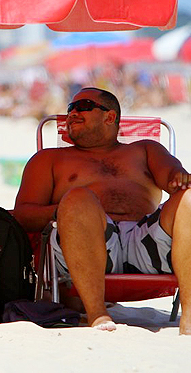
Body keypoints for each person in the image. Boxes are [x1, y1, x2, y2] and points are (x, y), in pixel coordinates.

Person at [13, 87, 190, 334]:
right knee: (78, 198)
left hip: (146, 243)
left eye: (83, 106)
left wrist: (177, 179)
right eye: (70, 109)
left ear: (110, 117)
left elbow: (173, 175)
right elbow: (21, 216)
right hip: (83, 243)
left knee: (189, 199)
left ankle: (189, 319)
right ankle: (97, 314)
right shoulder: (48, 159)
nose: (72, 113)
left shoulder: (144, 150)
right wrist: (66, 211)